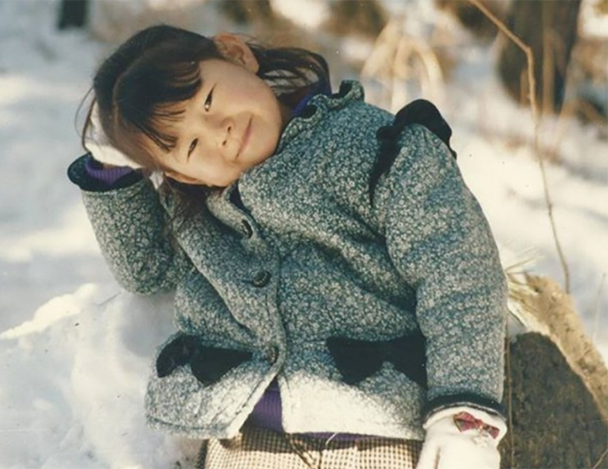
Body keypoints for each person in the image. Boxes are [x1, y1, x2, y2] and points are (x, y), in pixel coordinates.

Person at [68, 24, 508, 469]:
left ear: (236, 54)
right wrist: (109, 167)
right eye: (193, 145)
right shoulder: (203, 211)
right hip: (243, 439)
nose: (219, 131)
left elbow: (457, 273)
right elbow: (147, 269)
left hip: (371, 431)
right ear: (183, 175)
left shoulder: (378, 148)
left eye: (208, 101)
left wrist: (465, 415)